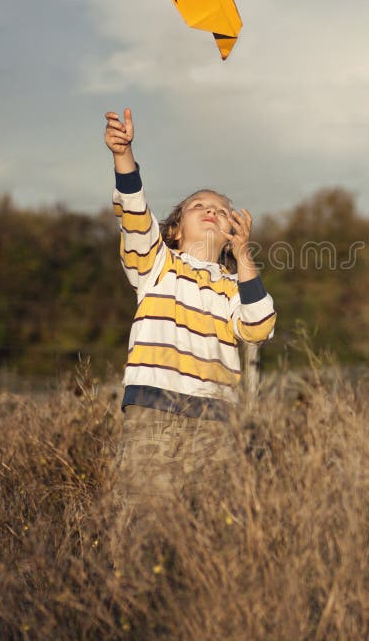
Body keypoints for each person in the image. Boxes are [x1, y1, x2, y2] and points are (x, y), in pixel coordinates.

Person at [104, 107, 276, 534]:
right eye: (198, 205)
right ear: (176, 229)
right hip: (152, 412)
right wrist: (124, 157)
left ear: (233, 230)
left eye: (220, 209)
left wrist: (243, 257)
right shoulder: (155, 264)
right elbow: (136, 216)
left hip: (216, 423)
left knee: (209, 534)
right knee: (142, 528)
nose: (210, 210)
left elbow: (260, 325)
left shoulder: (235, 286)